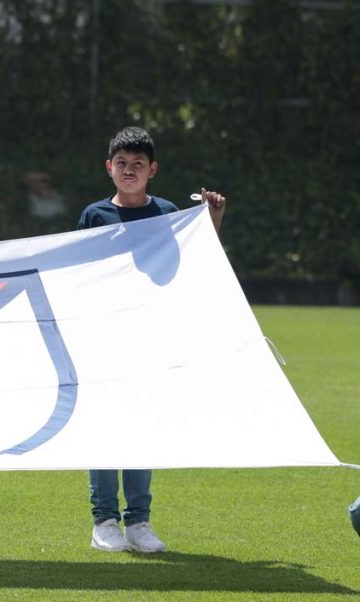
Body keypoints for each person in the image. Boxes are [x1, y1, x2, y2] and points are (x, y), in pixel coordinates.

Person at [76, 126, 226, 553]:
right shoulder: (94, 215)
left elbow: (195, 260)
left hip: (149, 337)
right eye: (121, 163)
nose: (129, 170)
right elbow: (76, 272)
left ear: (152, 170)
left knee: (141, 428)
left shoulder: (166, 212)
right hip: (101, 337)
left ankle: (138, 521)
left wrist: (211, 220)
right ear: (109, 168)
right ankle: (103, 520)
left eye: (137, 164)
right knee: (103, 429)